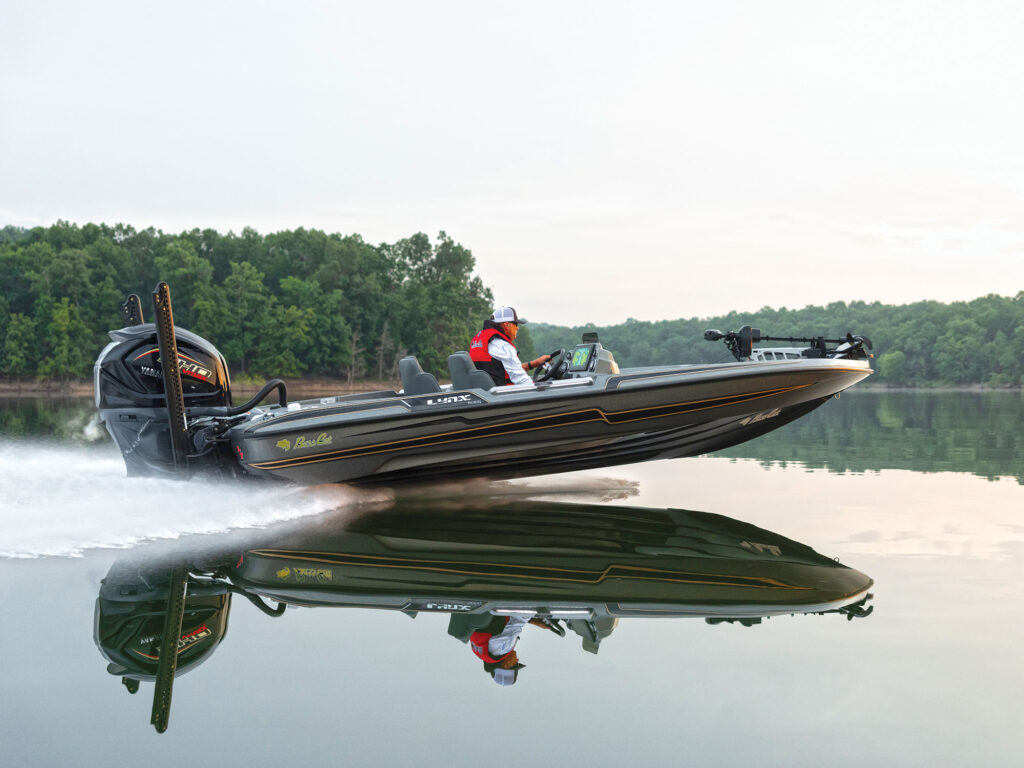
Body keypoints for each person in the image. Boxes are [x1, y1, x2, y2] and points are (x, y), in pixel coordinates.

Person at [469, 306, 560, 387]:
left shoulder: (482, 339)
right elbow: (520, 378)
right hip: (501, 395)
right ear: (506, 325)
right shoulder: (502, 345)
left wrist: (534, 364)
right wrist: (538, 390)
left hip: (486, 390)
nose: (517, 328)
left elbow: (505, 369)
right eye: (515, 324)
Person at [467, 613, 564, 686]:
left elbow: (520, 615)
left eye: (515, 664)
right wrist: (534, 621)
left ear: (506, 665)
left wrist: (540, 615)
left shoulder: (501, 649)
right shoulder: (485, 653)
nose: (517, 660)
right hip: (490, 611)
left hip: (500, 603)